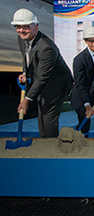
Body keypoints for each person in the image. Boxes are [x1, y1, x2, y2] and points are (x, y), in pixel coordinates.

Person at [12, 8, 73, 137]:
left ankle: (50, 146)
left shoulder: (46, 47)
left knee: (48, 115)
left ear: (36, 26)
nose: (21, 30)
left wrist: (27, 99)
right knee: (42, 113)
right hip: (43, 78)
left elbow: (42, 77)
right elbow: (27, 59)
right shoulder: (22, 39)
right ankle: (44, 140)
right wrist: (25, 73)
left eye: (26, 27)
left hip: (57, 83)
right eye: (18, 26)